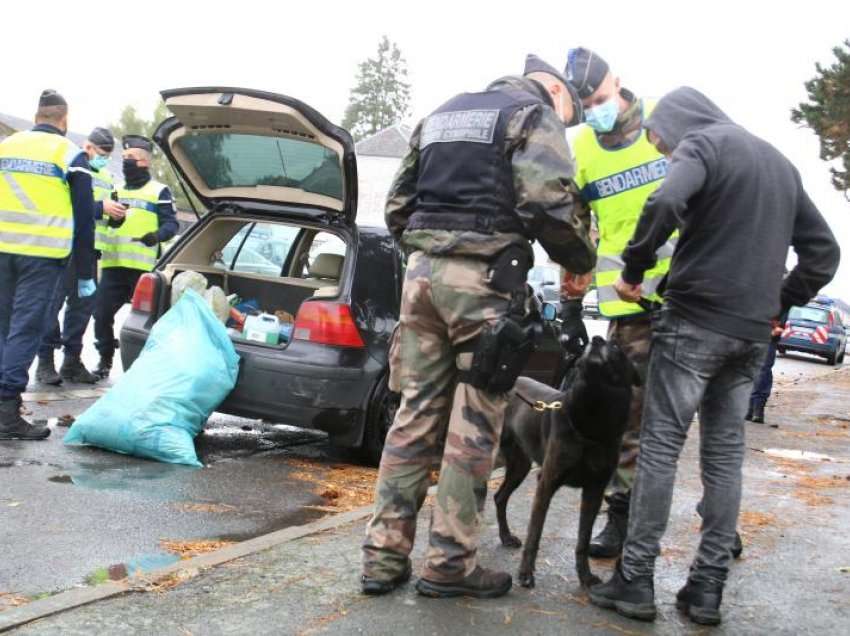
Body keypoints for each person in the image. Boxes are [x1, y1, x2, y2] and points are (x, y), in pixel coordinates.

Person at [588, 87, 840, 626]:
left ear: (679, 123)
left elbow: (664, 202)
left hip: (693, 322)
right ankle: (706, 590)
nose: (662, 153)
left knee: (659, 447)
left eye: (661, 143)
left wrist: (633, 271)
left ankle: (635, 579)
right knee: (724, 457)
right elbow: (825, 253)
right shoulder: (779, 164)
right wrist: (781, 299)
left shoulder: (702, 144)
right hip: (750, 335)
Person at [361, 54, 595, 600]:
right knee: (474, 425)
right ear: (557, 92)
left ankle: (381, 560)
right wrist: (579, 259)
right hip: (485, 284)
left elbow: (398, 205)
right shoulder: (533, 116)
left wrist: (429, 255)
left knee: (413, 417)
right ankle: (448, 565)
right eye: (571, 114)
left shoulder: (441, 114)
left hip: (419, 281)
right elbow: (549, 203)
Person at [562, 47, 678, 559]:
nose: (595, 110)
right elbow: (577, 221)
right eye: (586, 103)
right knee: (628, 420)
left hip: (682, 298)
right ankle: (621, 514)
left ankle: (716, 518)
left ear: (619, 82)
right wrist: (573, 275)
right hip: (626, 311)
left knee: (680, 418)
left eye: (601, 98)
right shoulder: (581, 145)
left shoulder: (663, 123)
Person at [0, 90, 97, 440]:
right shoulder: (70, 154)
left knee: (2, 328)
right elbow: (85, 221)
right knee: (25, 330)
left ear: (37, 115)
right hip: (41, 258)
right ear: (64, 120)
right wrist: (86, 273)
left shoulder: (7, 145)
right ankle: (7, 412)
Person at [36, 127, 126, 385]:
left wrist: (117, 215)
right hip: (66, 248)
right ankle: (45, 361)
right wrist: (100, 207)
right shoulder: (71, 167)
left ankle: (71, 361)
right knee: (52, 304)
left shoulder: (108, 177)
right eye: (101, 152)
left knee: (82, 308)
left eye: (108, 154)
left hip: (91, 251)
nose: (103, 158)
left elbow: (107, 215)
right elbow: (67, 206)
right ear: (88, 147)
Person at [93, 135, 178, 378]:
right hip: (113, 265)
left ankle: (145, 368)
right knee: (100, 314)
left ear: (145, 162)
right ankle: (104, 359)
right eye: (125, 157)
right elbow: (107, 222)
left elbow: (172, 225)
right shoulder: (114, 190)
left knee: (147, 322)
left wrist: (156, 235)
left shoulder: (159, 191)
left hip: (143, 270)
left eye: (132, 158)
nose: (126, 162)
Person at [746, 322, 784, 426]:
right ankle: (749, 408)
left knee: (763, 371)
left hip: (768, 335)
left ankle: (757, 409)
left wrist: (779, 326)